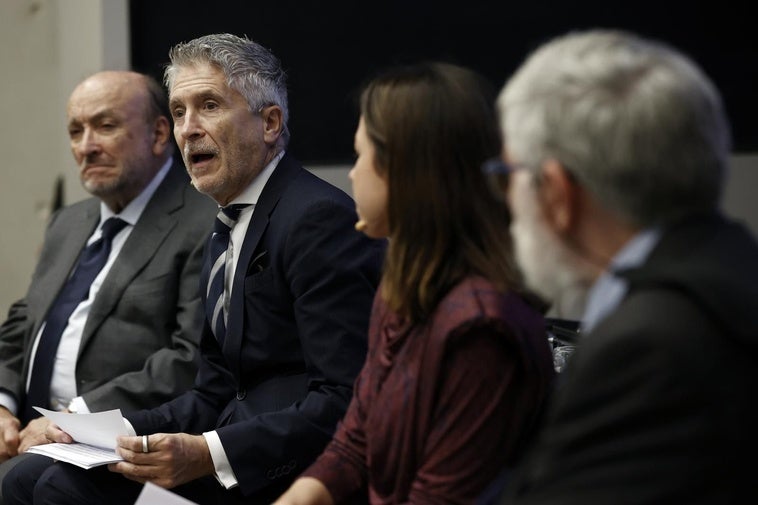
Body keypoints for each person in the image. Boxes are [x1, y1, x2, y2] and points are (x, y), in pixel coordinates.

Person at [2, 33, 385, 505]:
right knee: (28, 476)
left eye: (209, 105)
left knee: (61, 488)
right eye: (180, 111)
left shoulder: (314, 218)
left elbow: (344, 398)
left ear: (269, 123)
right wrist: (100, 432)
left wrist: (208, 452)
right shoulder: (228, 219)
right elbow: (212, 391)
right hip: (222, 454)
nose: (188, 128)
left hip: (277, 474)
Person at [487, 29, 758, 503]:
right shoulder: (733, 269)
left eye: (510, 177)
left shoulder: (645, 350)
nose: (508, 200)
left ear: (556, 193)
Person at [272, 61, 555, 505]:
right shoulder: (404, 286)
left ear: (406, 171)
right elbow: (357, 437)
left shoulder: (482, 327)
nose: (352, 173)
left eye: (361, 154)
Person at [0, 71, 216, 496]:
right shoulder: (70, 221)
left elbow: (190, 357)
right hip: (29, 426)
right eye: (76, 131)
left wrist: (74, 417)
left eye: (105, 126)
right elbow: (24, 322)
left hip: (113, 435)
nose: (87, 146)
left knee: (25, 485)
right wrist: (1, 403)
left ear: (158, 134)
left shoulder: (204, 220)